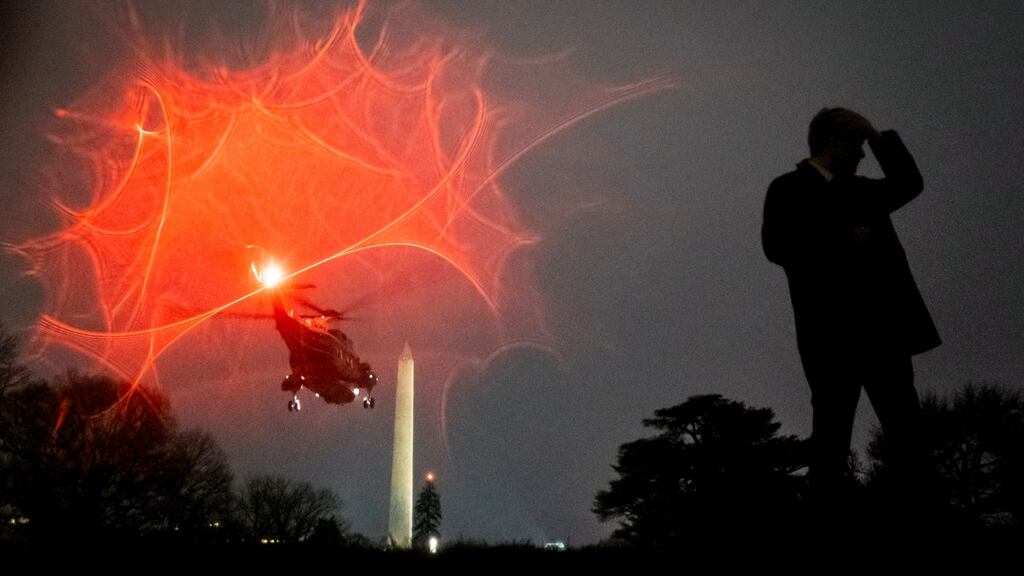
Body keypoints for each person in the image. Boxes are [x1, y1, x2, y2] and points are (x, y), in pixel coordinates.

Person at [762, 108, 940, 521]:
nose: (863, 155)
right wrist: (844, 239)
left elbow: (909, 184)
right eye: (859, 146)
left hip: (884, 334)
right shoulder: (787, 189)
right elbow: (777, 246)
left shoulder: (861, 190)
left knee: (908, 437)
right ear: (836, 143)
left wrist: (879, 137)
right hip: (830, 339)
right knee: (830, 443)